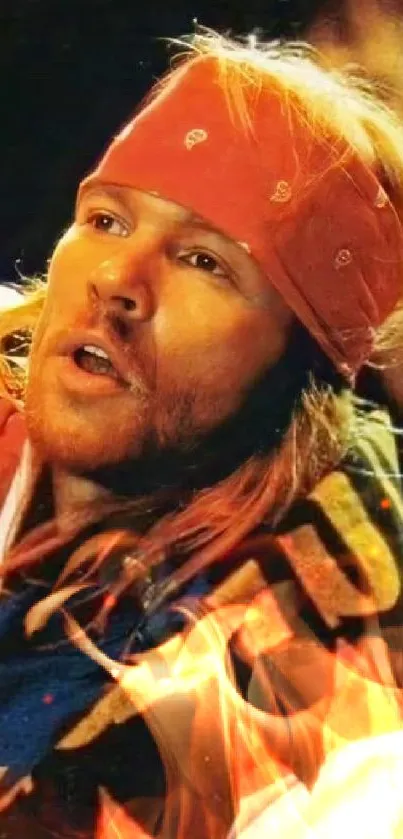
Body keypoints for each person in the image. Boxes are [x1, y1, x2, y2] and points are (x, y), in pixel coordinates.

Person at [1, 30, 403, 839]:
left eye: (203, 261)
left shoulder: (335, 714)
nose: (116, 279)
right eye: (107, 218)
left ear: (302, 373)